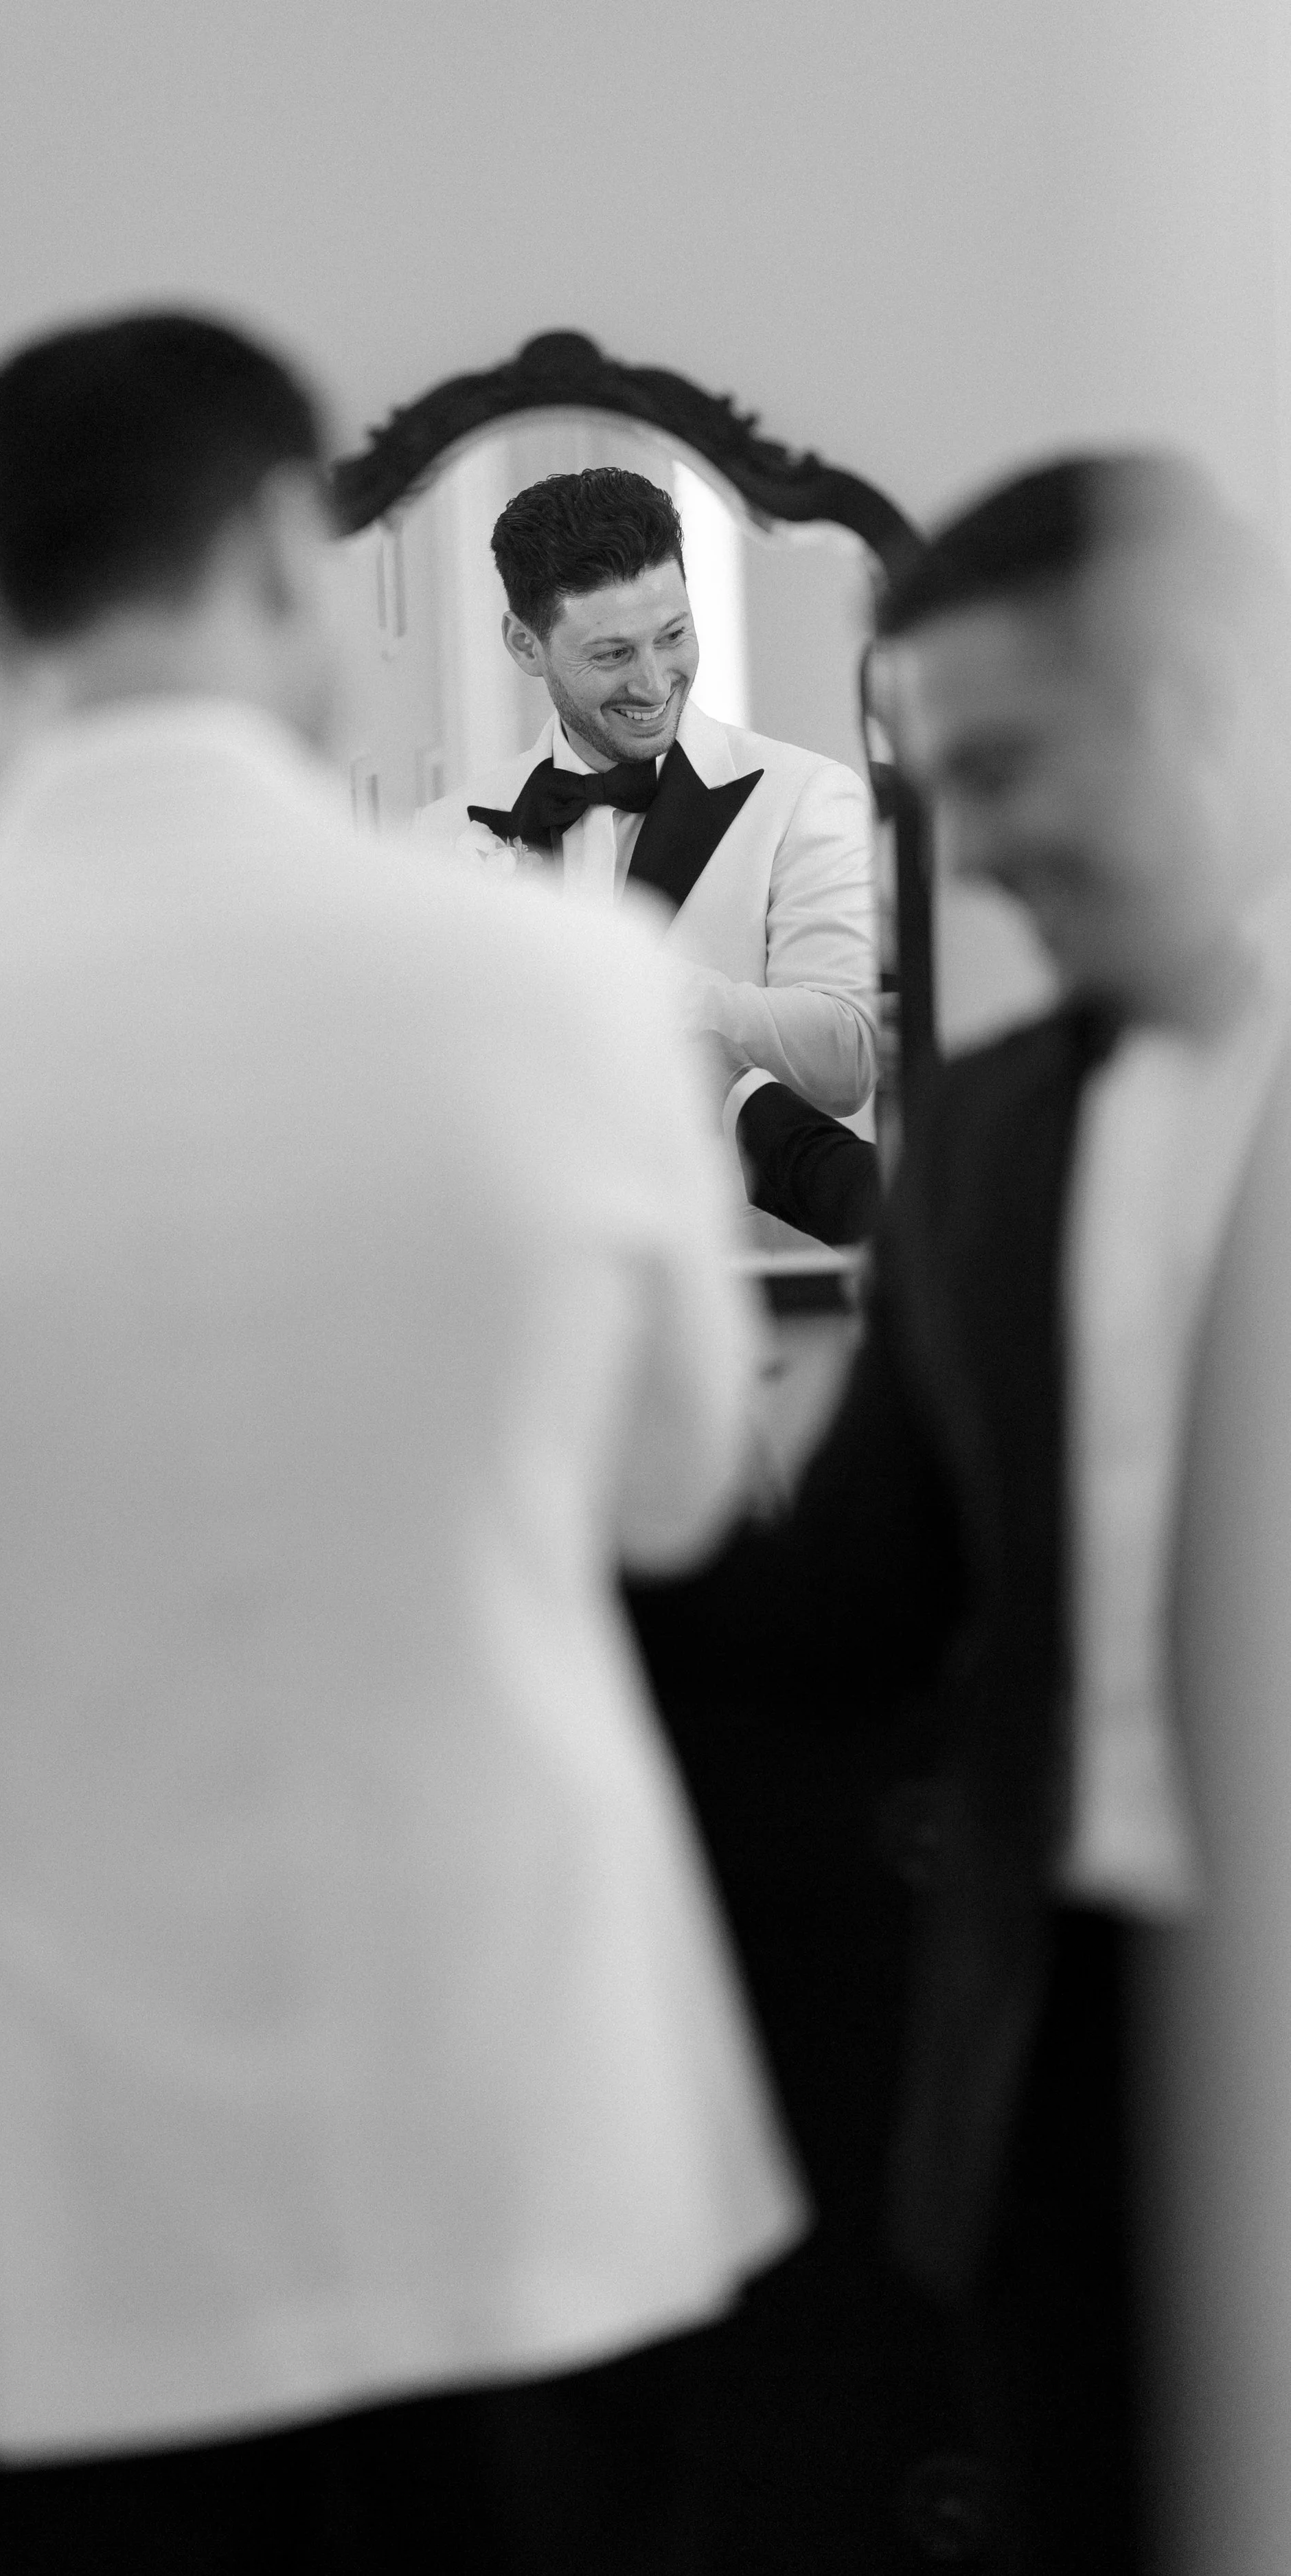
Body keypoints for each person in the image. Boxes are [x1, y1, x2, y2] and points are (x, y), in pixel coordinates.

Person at [0, 313, 803, 2576]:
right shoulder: (574, 995)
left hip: (73, 2191)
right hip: (531, 2132)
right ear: (273, 543)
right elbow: (667, 1502)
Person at [628, 449, 1291, 2573]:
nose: (972, 851)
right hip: (1065, 2068)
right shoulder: (988, 1140)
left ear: (1204, 699)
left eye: (1005, 766)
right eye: (934, 783)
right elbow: (839, 1608)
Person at [414, 465, 880, 1236]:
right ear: (524, 644)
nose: (656, 680)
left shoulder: (805, 798)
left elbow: (844, 1060)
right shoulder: (443, 836)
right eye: (610, 654)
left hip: (750, 1270)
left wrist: (620, 981)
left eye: (673, 635)